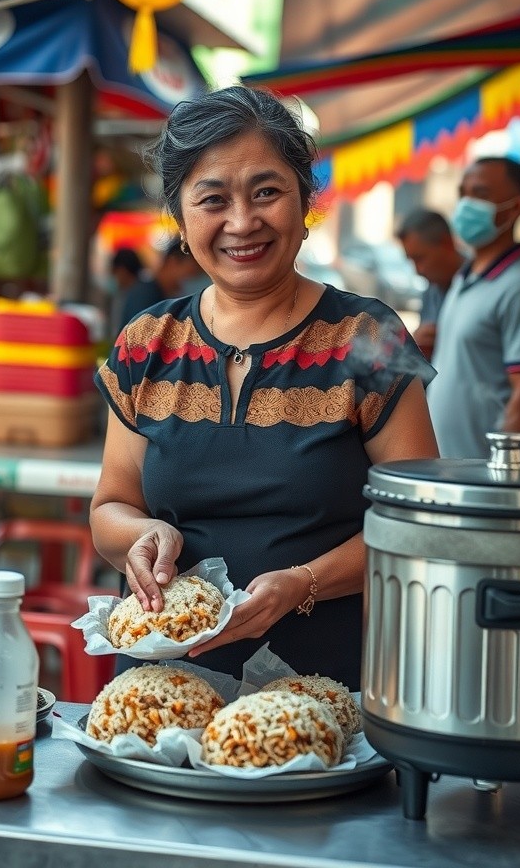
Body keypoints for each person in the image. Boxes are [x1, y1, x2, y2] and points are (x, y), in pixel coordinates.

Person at [89, 85, 438, 690]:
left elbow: (418, 520)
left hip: (319, 700)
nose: (242, 222)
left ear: (305, 200)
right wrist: (143, 535)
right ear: (181, 216)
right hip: (158, 700)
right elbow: (109, 509)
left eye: (267, 192)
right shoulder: (147, 343)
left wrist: (302, 584)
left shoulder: (367, 335)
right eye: (213, 200)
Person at [427, 155, 520, 459]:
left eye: (480, 194)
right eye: (463, 193)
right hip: (452, 470)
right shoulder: (465, 276)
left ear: (514, 208)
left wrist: (499, 473)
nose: (465, 204)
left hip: (482, 480)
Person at [396, 208, 464, 359]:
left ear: (447, 243)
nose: (418, 270)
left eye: (420, 258)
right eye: (411, 260)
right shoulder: (431, 291)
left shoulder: (479, 285)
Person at [117, 237, 205, 332]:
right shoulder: (146, 295)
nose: (191, 280)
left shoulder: (160, 295)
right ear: (173, 262)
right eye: (191, 273)